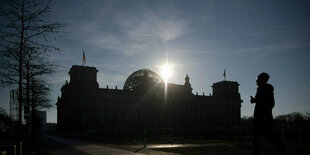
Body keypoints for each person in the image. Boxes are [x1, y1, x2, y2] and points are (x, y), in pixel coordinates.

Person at [250, 72, 287, 155]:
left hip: (265, 117)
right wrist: (254, 101)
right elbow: (259, 101)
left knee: (270, 137)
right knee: (255, 138)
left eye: (257, 79)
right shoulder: (259, 89)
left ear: (262, 80)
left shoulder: (268, 89)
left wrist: (257, 101)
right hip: (257, 116)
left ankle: (284, 148)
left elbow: (271, 104)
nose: (256, 81)